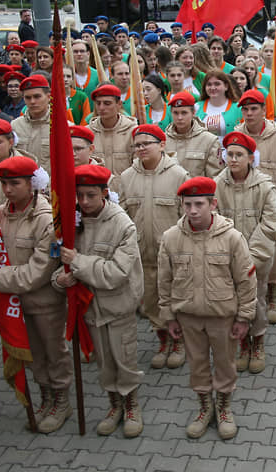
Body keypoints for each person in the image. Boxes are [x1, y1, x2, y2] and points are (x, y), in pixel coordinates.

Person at [158, 176, 257, 440]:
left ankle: (224, 408)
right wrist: (169, 317)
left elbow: (246, 281)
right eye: (187, 204)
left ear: (213, 204)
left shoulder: (232, 238)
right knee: (197, 365)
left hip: (222, 317)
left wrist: (244, 317)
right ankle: (204, 407)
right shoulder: (170, 238)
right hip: (188, 317)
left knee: (225, 364)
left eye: (199, 204)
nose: (193, 210)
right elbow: (164, 281)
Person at [53, 165, 145, 438]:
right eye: (79, 195)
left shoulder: (122, 225)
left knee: (123, 359)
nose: (84, 202)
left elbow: (116, 273)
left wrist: (77, 263)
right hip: (89, 308)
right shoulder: (70, 222)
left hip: (117, 306)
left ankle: (131, 406)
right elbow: (57, 261)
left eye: (90, 195)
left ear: (105, 193)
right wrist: (60, 279)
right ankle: (113, 405)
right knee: (104, 362)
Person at [0, 157, 72, 434]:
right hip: (15, 302)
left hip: (44, 302)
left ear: (32, 185)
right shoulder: (0, 213)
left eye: (15, 183)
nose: (8, 189)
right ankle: (45, 395)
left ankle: (61, 400)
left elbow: (37, 271)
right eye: (4, 183)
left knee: (53, 351)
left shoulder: (46, 219)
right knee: (33, 353)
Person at [119, 124, 189, 370]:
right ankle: (163, 340)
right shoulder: (127, 178)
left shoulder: (179, 175)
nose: (141, 148)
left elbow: (187, 216)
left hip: (171, 255)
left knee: (174, 299)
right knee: (151, 302)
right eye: (137, 145)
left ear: (162, 145)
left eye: (146, 143)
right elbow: (124, 215)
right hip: (142, 255)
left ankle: (179, 343)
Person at [214, 132, 276, 374]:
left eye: (239, 155)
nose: (233, 159)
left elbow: (271, 222)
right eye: (229, 154)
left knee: (257, 300)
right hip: (227, 258)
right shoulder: (217, 185)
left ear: (251, 158)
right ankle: (243, 344)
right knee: (234, 303)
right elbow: (214, 221)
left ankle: (258, 342)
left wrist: (251, 257)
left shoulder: (264, 186)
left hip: (257, 259)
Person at [235, 89, 276, 325]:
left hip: (271, 207)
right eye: (245, 109)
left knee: (274, 255)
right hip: (242, 205)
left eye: (254, 109)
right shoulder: (236, 135)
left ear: (264, 110)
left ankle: (272, 297)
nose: (250, 113)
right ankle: (248, 298)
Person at [164, 91, 222, 178]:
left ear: (193, 112)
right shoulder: (163, 141)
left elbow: (215, 177)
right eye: (175, 113)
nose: (179, 117)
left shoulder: (209, 141)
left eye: (184, 113)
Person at [88, 84, 137, 176]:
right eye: (98, 103)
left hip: (124, 188)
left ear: (119, 104)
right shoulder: (88, 133)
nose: (101, 108)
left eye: (107, 103)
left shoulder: (132, 131)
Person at [12, 76, 52, 174]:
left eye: (37, 96)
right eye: (28, 98)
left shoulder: (62, 126)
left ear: (48, 97)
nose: (32, 102)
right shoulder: (15, 126)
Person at [195, 70, 242, 137]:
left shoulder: (238, 108)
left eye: (217, 84)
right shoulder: (196, 107)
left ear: (226, 86)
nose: (213, 88)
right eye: (209, 84)